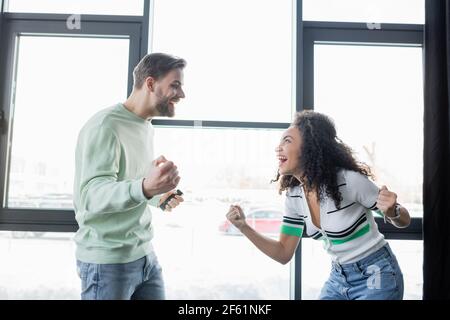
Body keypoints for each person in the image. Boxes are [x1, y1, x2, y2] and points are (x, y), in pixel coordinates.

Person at [226, 110, 410, 300]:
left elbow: (404, 219)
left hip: (377, 275)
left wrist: (393, 211)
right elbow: (283, 253)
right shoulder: (294, 196)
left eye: (287, 141)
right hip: (339, 278)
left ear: (310, 148)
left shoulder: (348, 181)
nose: (278, 148)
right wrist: (243, 227)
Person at [73, 53, 186, 300]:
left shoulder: (145, 126)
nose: (181, 94)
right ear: (150, 83)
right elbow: (91, 196)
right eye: (175, 85)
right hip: (108, 262)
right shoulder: (105, 126)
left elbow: (131, 183)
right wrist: (146, 187)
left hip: (145, 256)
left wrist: (159, 194)